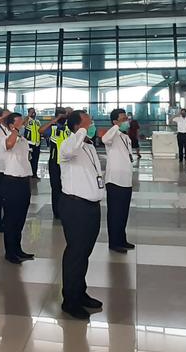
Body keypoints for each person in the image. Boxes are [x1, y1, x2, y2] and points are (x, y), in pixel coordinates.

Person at [56, 110, 105, 321]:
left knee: (84, 253)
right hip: (75, 207)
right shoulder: (68, 144)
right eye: (87, 122)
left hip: (91, 207)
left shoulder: (88, 146)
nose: (92, 124)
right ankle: (70, 300)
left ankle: (80, 292)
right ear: (77, 126)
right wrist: (80, 130)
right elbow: (68, 152)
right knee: (75, 254)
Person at [0, 111, 34, 263]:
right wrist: (15, 131)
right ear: (11, 125)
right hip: (11, 182)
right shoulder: (4, 138)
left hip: (24, 182)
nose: (22, 123)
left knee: (21, 218)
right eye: (19, 122)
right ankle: (10, 252)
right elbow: (9, 145)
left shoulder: (21, 139)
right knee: (11, 219)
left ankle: (18, 249)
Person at [102, 109, 135, 252]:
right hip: (114, 180)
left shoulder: (125, 137)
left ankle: (122, 239)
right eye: (122, 119)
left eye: (126, 118)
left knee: (123, 213)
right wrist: (116, 126)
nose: (126, 121)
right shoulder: (112, 135)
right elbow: (104, 139)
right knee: (115, 213)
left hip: (126, 179)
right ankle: (114, 242)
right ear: (115, 122)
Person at [42, 108, 70, 219]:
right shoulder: (52, 127)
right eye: (61, 115)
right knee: (56, 188)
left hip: (67, 162)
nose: (63, 117)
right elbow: (41, 131)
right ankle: (57, 212)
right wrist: (55, 120)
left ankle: (66, 209)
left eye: (64, 115)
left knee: (66, 187)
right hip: (55, 162)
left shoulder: (69, 127)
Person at [24, 107, 43, 178]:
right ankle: (27, 173)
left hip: (37, 143)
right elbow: (23, 124)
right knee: (28, 159)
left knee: (36, 159)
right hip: (29, 143)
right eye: (32, 112)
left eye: (34, 112)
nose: (33, 113)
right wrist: (28, 115)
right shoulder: (27, 120)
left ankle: (34, 173)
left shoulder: (38, 121)